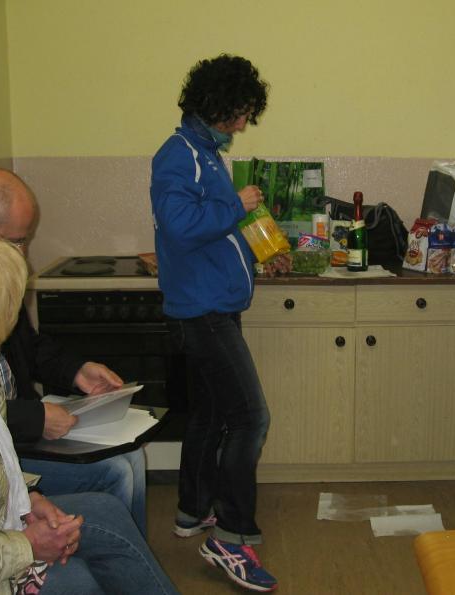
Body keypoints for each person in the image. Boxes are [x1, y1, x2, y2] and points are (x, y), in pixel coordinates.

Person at [0, 234, 178, 594]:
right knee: (83, 579)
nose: (10, 324)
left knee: (107, 512)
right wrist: (27, 546)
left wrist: (29, 500)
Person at [0, 168, 147, 533]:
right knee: (116, 472)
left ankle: (113, 550)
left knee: (131, 456)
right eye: (16, 241)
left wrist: (76, 369)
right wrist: (34, 418)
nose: (22, 254)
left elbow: (27, 345)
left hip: (17, 430)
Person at [150, 54, 276, 592]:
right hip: (203, 313)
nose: (244, 123)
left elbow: (213, 232)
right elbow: (180, 225)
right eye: (241, 112)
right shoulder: (178, 155)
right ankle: (230, 536)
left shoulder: (204, 153)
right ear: (218, 105)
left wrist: (261, 249)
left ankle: (192, 509)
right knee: (250, 418)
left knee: (210, 415)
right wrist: (237, 205)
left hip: (212, 306)